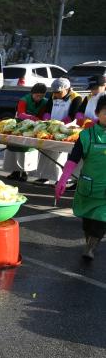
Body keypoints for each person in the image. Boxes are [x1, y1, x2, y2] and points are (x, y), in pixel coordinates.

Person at [56, 96, 106, 260]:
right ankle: (89, 243)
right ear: (98, 113)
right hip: (88, 186)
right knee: (88, 221)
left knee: (101, 219)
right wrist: (63, 179)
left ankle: (90, 248)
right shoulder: (85, 135)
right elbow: (73, 159)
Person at [36, 78, 83, 184]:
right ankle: (44, 176)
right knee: (46, 151)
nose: (56, 94)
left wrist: (60, 124)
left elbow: (72, 115)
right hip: (52, 128)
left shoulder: (76, 98)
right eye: (54, 92)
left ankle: (60, 178)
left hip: (66, 129)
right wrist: (47, 120)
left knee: (61, 154)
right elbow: (48, 110)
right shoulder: (53, 96)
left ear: (67, 89)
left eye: (58, 92)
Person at [6, 83, 48, 181]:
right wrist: (31, 117)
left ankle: (25, 172)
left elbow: (43, 115)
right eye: (37, 95)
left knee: (28, 150)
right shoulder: (24, 100)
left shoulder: (45, 102)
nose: (39, 98)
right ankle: (15, 172)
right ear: (32, 93)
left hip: (33, 129)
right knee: (15, 148)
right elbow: (20, 114)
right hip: (20, 127)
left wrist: (41, 120)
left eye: (41, 96)